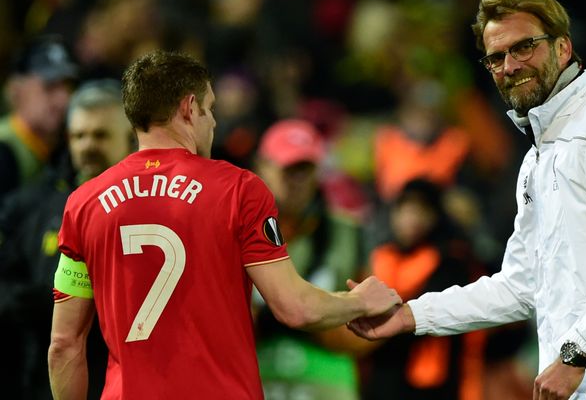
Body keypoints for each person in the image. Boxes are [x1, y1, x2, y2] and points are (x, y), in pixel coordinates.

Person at [348, 0, 586, 399]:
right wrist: (410, 315)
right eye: (496, 57)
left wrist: (574, 354)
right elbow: (519, 286)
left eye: (524, 47)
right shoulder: (539, 156)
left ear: (563, 48)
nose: (510, 66)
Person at [47, 50, 401, 400]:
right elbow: (296, 308)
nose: (213, 122)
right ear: (188, 108)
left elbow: (64, 345)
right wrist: (359, 301)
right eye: (209, 109)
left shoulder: (84, 204)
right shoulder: (238, 190)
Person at [0, 79, 129, 399]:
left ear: (130, 138)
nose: (87, 145)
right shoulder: (29, 206)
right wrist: (38, 302)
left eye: (100, 135)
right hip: (39, 381)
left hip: (121, 383)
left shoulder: (150, 208)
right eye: (78, 135)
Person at [252, 118, 370, 400]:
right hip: (255, 378)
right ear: (262, 167)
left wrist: (332, 331)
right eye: (288, 169)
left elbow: (371, 309)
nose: (297, 181)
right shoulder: (235, 232)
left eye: (305, 169)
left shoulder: (348, 231)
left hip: (325, 383)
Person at [362, 178, 487, 400]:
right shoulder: (380, 255)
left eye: (422, 211)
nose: (412, 219)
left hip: (430, 383)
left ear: (436, 217)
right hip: (381, 376)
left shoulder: (449, 261)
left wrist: (368, 331)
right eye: (405, 209)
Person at [0, 35, 78, 200]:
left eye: (67, 86)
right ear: (16, 90)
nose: (63, 99)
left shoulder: (62, 146)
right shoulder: (4, 150)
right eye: (50, 86)